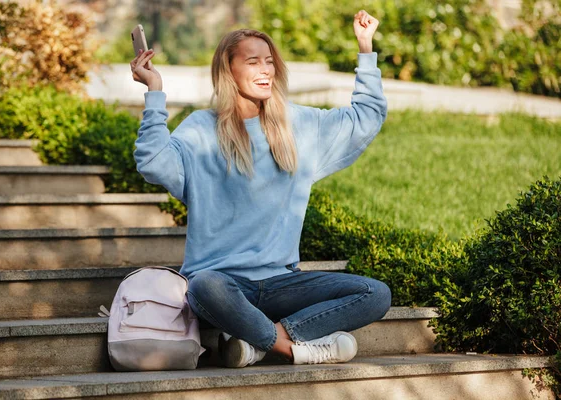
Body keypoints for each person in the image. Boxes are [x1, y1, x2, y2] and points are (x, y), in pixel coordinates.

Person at [130, 10, 390, 368]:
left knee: (375, 294)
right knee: (203, 285)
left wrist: (365, 48)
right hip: (222, 290)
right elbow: (153, 161)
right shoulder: (200, 129)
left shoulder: (298, 125)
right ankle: (292, 348)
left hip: (283, 285)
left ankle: (257, 344)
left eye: (269, 62)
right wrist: (155, 93)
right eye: (253, 62)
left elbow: (367, 117)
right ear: (229, 70)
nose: (266, 70)